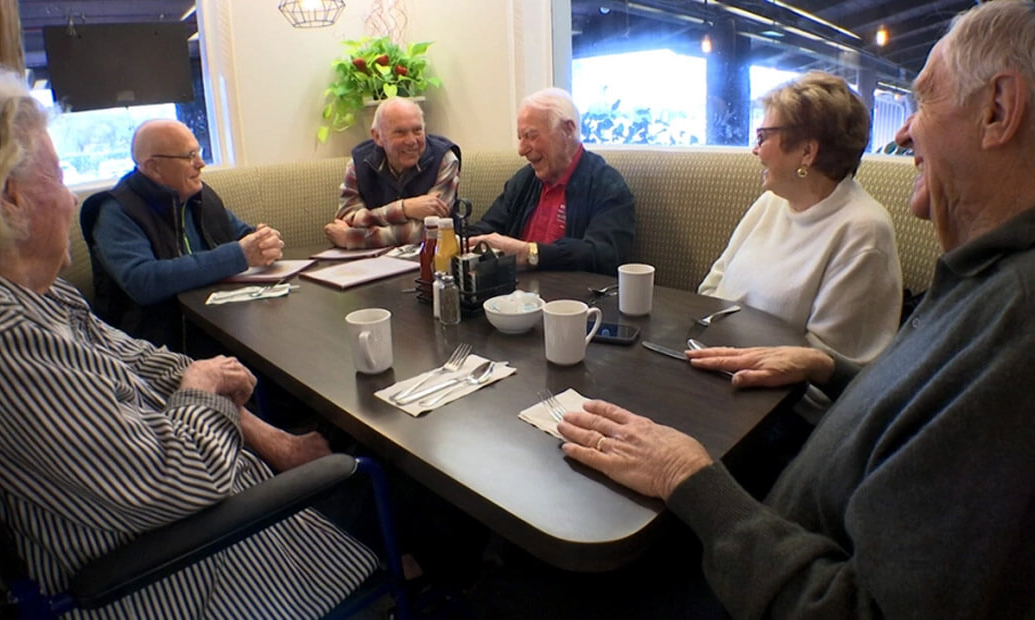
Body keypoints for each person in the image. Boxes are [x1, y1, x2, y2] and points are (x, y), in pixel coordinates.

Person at [558, 1, 1035, 617]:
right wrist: (824, 366)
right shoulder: (982, 275)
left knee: (556, 567)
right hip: (762, 519)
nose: (903, 131)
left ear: (997, 109)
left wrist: (689, 479)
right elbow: (902, 403)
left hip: (758, 564)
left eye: (925, 100)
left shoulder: (1014, 328)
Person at [0, 69, 378, 618]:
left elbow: (140, 359)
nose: (70, 200)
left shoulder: (20, 297)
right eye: (60, 177)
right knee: (394, 484)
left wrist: (265, 433)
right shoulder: (1, 340)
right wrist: (203, 387)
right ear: (9, 199)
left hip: (186, 519)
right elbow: (180, 480)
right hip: (191, 571)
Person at [698, 72, 902, 367]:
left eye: (762, 137)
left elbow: (826, 369)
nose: (755, 150)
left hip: (786, 402)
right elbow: (709, 291)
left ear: (806, 151)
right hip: (717, 364)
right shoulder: (772, 202)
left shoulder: (863, 232)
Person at [80, 119, 285, 351]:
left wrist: (265, 242)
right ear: (154, 167)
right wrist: (238, 255)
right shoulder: (116, 212)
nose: (201, 163)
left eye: (199, 153)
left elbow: (241, 236)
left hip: (221, 328)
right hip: (155, 351)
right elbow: (144, 281)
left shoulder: (199, 196)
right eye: (189, 156)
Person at [467, 88, 635, 274]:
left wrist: (527, 252)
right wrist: (452, 236)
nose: (521, 150)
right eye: (520, 138)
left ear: (568, 130)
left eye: (531, 136)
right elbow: (487, 228)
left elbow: (603, 255)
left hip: (569, 298)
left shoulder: (606, 185)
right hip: (512, 297)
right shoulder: (524, 180)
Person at [324, 97, 460, 249]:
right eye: (400, 133)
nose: (411, 141)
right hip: (369, 265)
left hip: (429, 263)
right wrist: (404, 208)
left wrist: (355, 238)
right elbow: (346, 217)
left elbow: (430, 231)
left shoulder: (444, 159)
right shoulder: (359, 162)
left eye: (417, 130)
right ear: (377, 137)